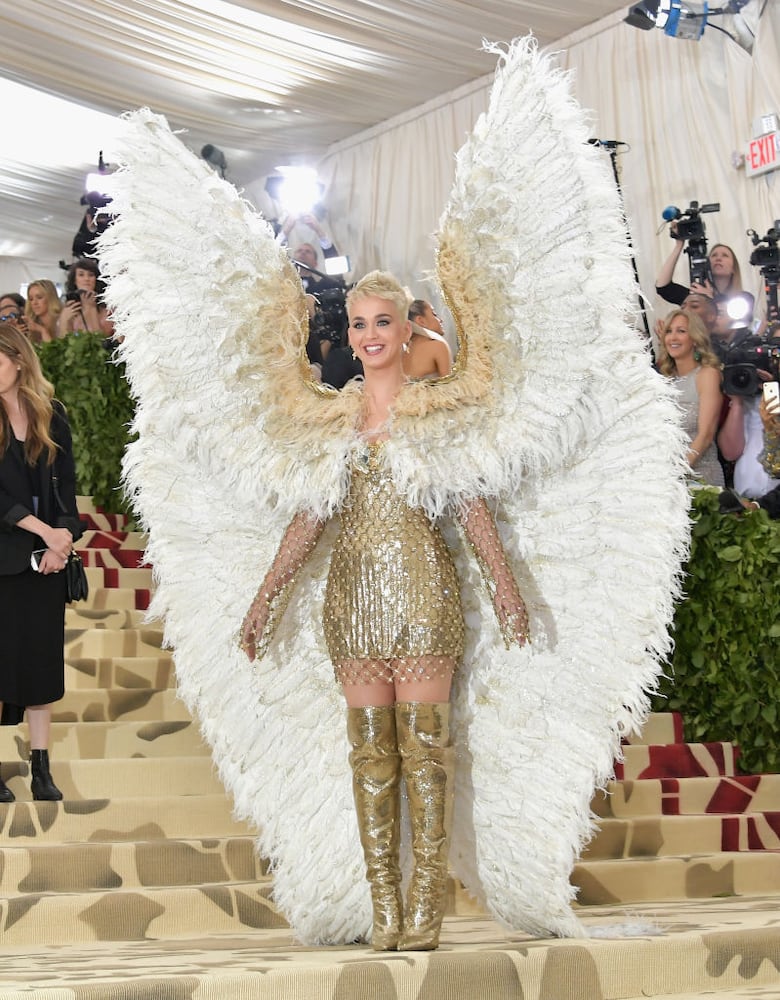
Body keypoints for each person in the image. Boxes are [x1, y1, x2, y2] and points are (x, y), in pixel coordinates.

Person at [240, 271, 529, 951]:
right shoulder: (332, 420)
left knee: (426, 753)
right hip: (351, 599)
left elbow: (470, 506)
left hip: (426, 591)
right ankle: (385, 909)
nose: (369, 336)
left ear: (407, 331)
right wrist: (264, 599)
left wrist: (505, 586)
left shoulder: (433, 412)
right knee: (371, 757)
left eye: (381, 323)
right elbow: (308, 521)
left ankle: (427, 907)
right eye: (358, 325)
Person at [0, 322, 81, 801]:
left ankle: (41, 770)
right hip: (4, 559)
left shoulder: (53, 416)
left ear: (18, 360)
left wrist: (63, 539)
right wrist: (44, 532)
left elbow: (66, 493)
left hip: (46, 564)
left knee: (41, 667)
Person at [656, 309, 724, 486]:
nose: (673, 338)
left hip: (700, 478)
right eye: (669, 331)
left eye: (681, 331)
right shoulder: (666, 380)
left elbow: (706, 435)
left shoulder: (707, 374)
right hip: (668, 478)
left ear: (695, 338)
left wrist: (675, 475)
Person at [656, 235, 753, 312]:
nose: (718, 258)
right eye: (714, 255)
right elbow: (663, 287)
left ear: (733, 269)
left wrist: (709, 300)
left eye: (725, 256)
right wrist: (678, 246)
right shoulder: (695, 296)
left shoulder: (743, 299)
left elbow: (734, 327)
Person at [57, 259, 114, 338]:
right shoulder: (69, 308)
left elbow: (101, 340)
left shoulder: (107, 310)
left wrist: (92, 309)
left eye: (91, 275)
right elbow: (64, 340)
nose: (86, 279)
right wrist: (64, 320)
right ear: (74, 280)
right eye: (81, 275)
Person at [405, 300, 453, 380]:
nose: (441, 320)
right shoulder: (437, 346)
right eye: (434, 314)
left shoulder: (403, 354)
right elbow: (451, 388)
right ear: (421, 321)